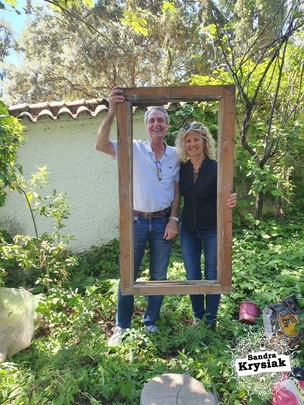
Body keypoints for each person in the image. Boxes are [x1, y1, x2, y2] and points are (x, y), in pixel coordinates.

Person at [95, 86, 180, 346]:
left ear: (167, 125)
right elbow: (100, 145)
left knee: (159, 275)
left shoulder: (176, 154)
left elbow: (177, 190)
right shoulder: (132, 147)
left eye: (161, 120)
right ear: (146, 126)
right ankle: (122, 326)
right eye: (152, 120)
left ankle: (150, 321)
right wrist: (111, 113)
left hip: (163, 221)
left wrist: (174, 219)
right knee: (127, 275)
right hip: (136, 221)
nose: (156, 124)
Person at [175, 122, 236, 333]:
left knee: (212, 275)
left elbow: (229, 192)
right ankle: (197, 317)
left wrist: (232, 199)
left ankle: (210, 321)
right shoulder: (181, 168)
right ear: (184, 144)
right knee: (192, 274)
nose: (192, 144)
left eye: (196, 140)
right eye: (188, 140)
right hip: (188, 229)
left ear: (204, 142)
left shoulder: (216, 167)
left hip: (212, 229)